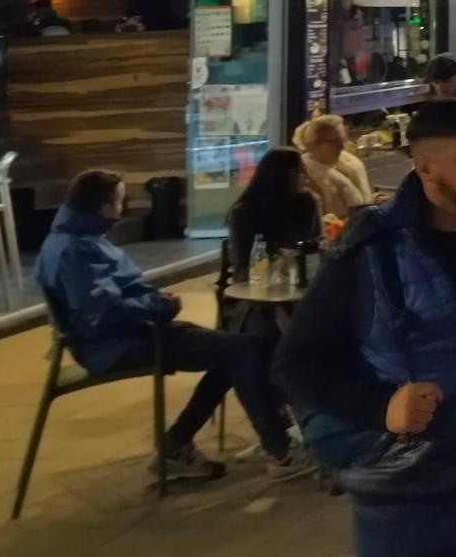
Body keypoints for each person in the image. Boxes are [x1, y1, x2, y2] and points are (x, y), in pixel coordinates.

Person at [274, 99, 456, 557]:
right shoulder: (372, 250)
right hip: (405, 500)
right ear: (426, 168)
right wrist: (380, 407)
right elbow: (296, 364)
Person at [37, 168, 306, 481]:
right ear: (104, 207)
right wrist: (158, 306)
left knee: (232, 350)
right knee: (243, 350)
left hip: (119, 336)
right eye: (121, 201)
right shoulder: (77, 249)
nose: (122, 209)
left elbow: (107, 299)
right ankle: (281, 449)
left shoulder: (70, 239)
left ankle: (176, 445)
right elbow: (104, 310)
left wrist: (153, 304)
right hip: (115, 344)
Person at [228, 147, 321, 276]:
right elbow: (242, 264)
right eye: (301, 170)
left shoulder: (308, 203)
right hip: (257, 280)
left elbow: (315, 245)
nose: (307, 176)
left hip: (300, 275)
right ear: (283, 175)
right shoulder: (244, 212)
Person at [296, 113, 376, 219]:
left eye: (343, 140)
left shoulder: (350, 166)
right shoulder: (306, 178)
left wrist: (376, 200)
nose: (342, 146)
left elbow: (362, 202)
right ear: (316, 143)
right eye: (336, 142)